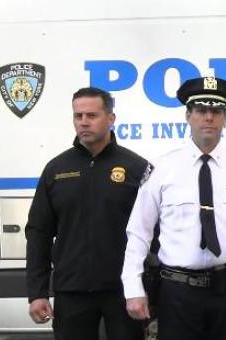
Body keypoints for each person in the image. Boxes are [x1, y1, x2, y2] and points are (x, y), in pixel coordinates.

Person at [121, 77, 226, 340]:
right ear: (188, 116)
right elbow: (139, 233)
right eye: (201, 111)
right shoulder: (162, 169)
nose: (208, 118)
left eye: (216, 112)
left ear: (225, 118)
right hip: (178, 294)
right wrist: (133, 287)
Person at [25, 87, 148, 339]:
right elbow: (39, 232)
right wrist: (37, 292)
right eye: (78, 116)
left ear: (111, 119)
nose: (83, 122)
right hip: (71, 291)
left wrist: (151, 289)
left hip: (124, 290)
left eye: (91, 115)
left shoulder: (137, 168)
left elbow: (155, 232)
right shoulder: (56, 170)